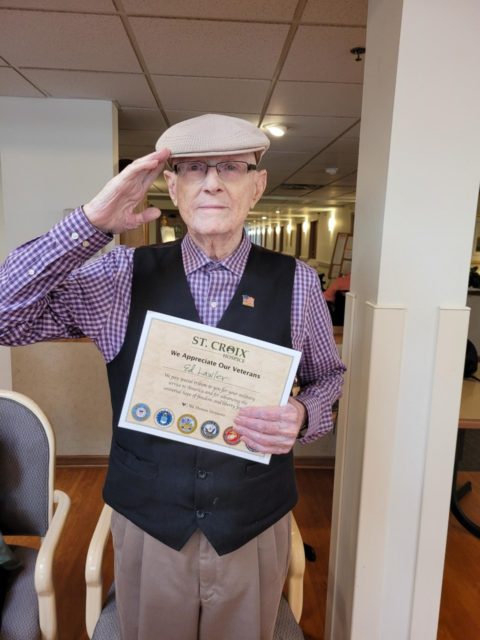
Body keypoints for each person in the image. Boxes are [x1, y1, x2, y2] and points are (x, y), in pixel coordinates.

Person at [0, 113, 345, 640]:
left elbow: (329, 379)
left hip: (253, 522)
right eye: (192, 168)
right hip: (150, 525)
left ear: (258, 185)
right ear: (171, 184)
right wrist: (90, 225)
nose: (211, 181)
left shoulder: (296, 282)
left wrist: (303, 414)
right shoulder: (119, 276)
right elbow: (4, 314)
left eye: (231, 166)